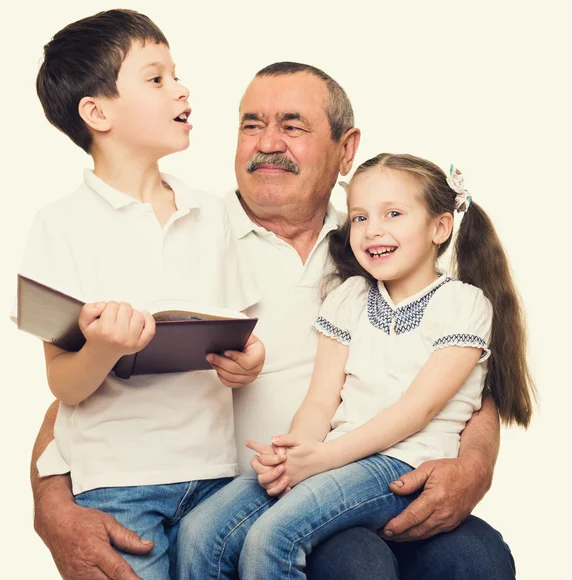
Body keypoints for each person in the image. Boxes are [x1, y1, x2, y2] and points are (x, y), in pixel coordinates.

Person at [30, 62, 517, 580]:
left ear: (346, 149)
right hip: (253, 492)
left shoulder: (380, 241)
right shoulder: (191, 234)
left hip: (381, 472)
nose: (268, 143)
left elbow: (463, 380)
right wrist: (53, 507)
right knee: (354, 563)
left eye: (292, 126)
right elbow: (81, 387)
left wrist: (474, 463)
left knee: (476, 558)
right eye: (250, 125)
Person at [177, 153, 536, 579]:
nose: (373, 230)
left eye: (394, 214)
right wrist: (295, 452)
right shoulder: (349, 297)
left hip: (403, 462)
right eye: (360, 217)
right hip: (339, 457)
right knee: (200, 532)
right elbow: (320, 399)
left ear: (440, 227)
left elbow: (415, 412)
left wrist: (323, 458)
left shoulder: (462, 305)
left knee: (274, 536)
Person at [15, 9, 265, 579]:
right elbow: (64, 384)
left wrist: (249, 363)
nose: (182, 90)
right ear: (97, 112)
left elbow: (243, 334)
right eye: (156, 79)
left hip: (216, 477)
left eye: (176, 74)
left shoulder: (211, 214)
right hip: (116, 485)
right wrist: (103, 347)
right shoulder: (61, 226)